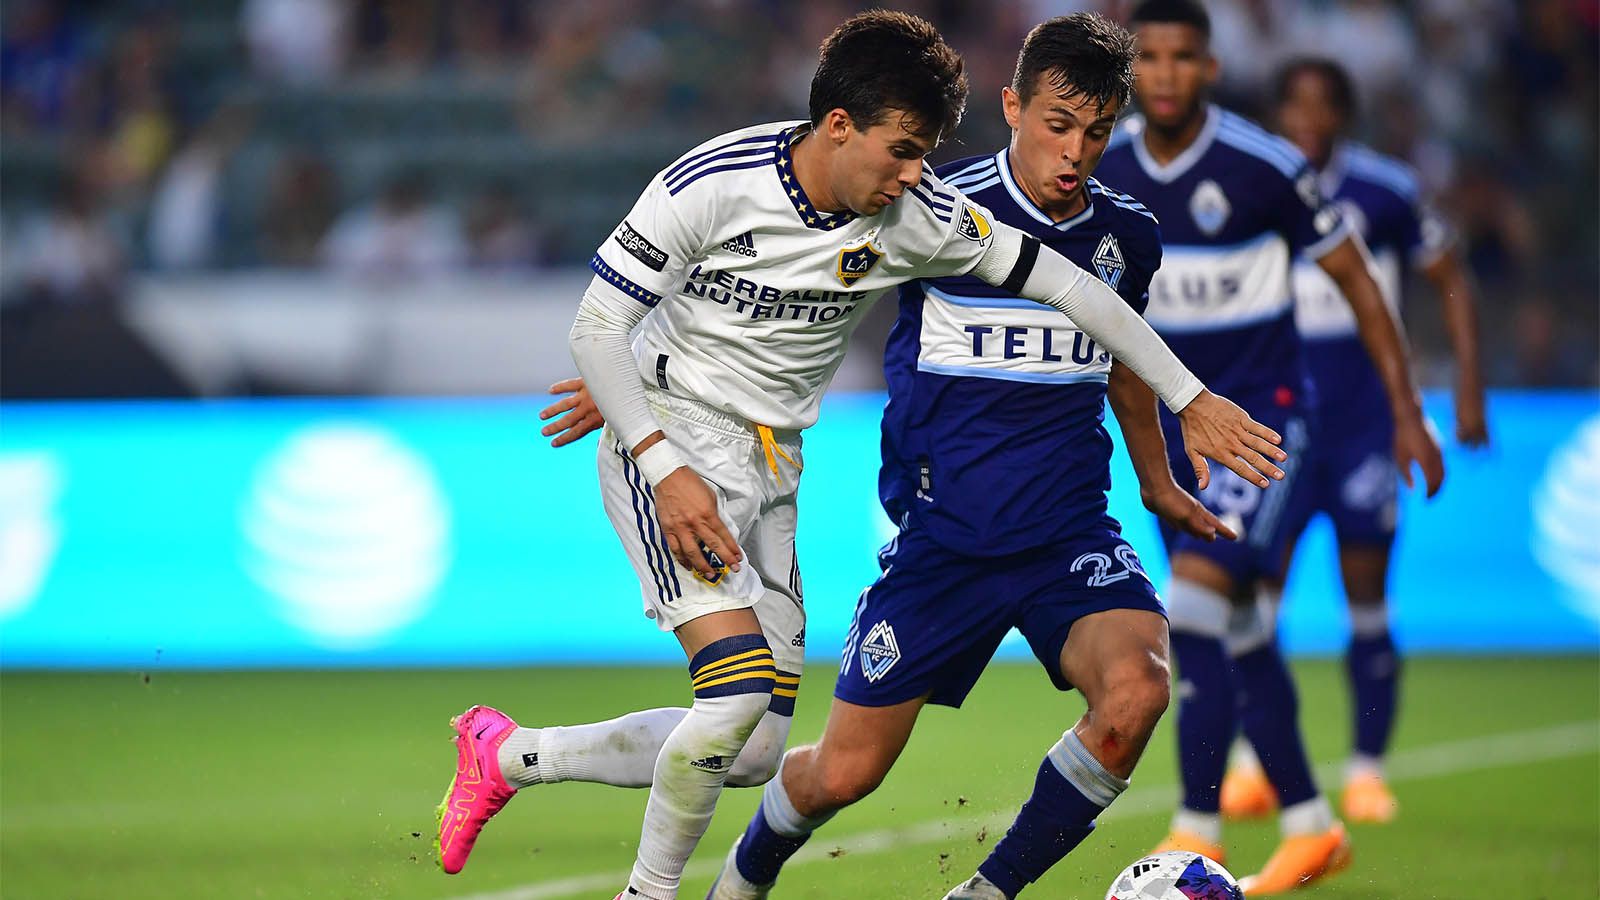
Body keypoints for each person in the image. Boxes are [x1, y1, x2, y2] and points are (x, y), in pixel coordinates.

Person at [435, 11, 1284, 900]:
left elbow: (1074, 288)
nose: (917, 176)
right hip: (692, 457)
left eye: (1098, 131)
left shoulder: (923, 216)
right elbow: (602, 322)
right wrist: (642, 414)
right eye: (905, 152)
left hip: (786, 466)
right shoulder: (713, 181)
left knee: (756, 747)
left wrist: (1190, 403)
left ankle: (509, 753)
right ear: (842, 126)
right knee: (734, 706)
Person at [1093, 1, 1445, 893]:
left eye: (1185, 58)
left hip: (1262, 425)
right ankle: (1311, 826)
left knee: (1200, 608)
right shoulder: (1109, 167)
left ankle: (1197, 827)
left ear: (1211, 68)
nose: (1167, 73)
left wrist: (1406, 409)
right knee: (1241, 626)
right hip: (1172, 435)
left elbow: (1362, 286)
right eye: (1153, 58)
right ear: (1136, 68)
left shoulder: (1264, 166)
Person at [1216, 56, 1489, 828]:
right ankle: (1251, 764)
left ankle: (1367, 771)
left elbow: (1450, 278)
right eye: (1293, 105)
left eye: (1322, 106)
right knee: (1254, 598)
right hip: (1275, 419)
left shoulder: (1386, 190)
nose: (1307, 119)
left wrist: (1464, 390)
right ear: (1276, 114)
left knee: (1366, 599)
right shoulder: (1254, 186)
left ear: (1342, 115)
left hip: (1365, 424)